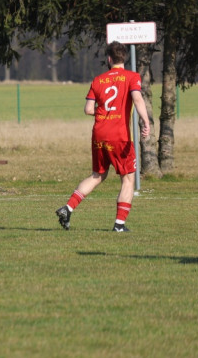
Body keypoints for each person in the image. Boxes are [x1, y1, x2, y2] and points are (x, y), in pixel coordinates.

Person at [56, 41, 150, 232]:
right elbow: (137, 98)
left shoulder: (98, 80)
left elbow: (88, 109)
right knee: (128, 179)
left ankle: (68, 207)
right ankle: (119, 225)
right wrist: (146, 121)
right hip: (119, 135)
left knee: (98, 174)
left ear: (109, 59)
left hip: (99, 133)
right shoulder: (132, 77)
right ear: (123, 58)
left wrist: (105, 111)